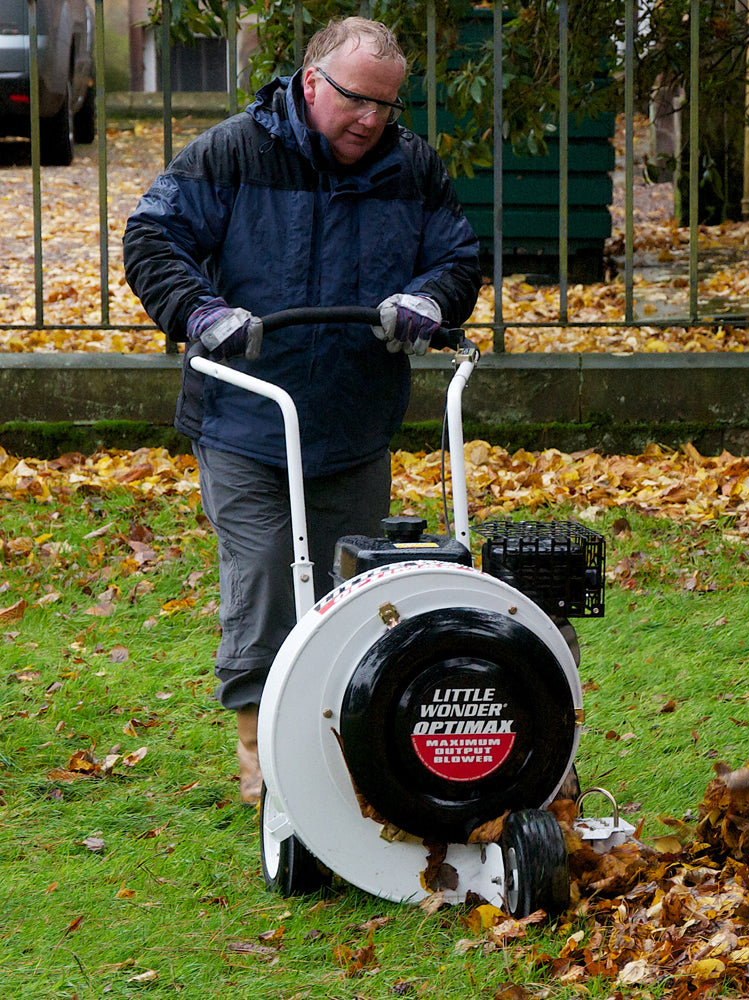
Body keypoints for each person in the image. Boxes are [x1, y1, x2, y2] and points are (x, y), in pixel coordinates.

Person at [123, 16, 481, 805]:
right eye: (358, 101)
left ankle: (335, 736)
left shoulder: (412, 168)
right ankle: (258, 751)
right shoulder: (233, 153)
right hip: (247, 414)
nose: (373, 120)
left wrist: (428, 299)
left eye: (389, 106)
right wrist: (199, 311)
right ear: (313, 83)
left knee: (345, 584)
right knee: (262, 576)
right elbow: (153, 234)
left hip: (354, 421)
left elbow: (457, 256)